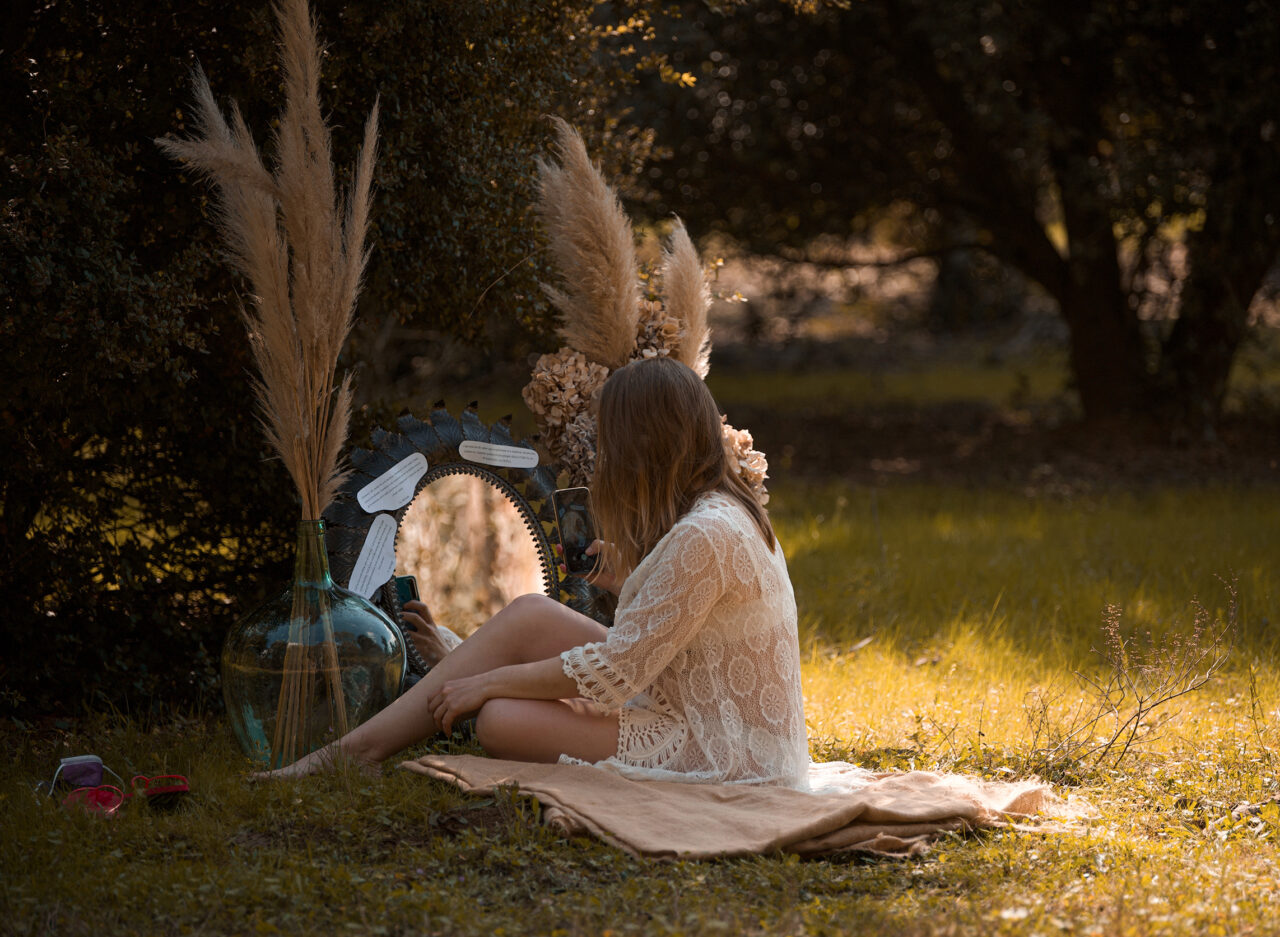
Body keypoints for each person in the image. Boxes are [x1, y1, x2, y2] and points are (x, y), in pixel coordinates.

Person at [258, 357, 808, 788]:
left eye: (610, 441)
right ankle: (360, 749)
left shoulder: (705, 534)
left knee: (499, 718)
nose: (605, 456)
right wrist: (629, 578)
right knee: (531, 615)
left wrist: (487, 683)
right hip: (693, 706)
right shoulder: (721, 512)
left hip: (720, 750)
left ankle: (429, 700)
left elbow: (618, 671)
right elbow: (686, 635)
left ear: (642, 445)